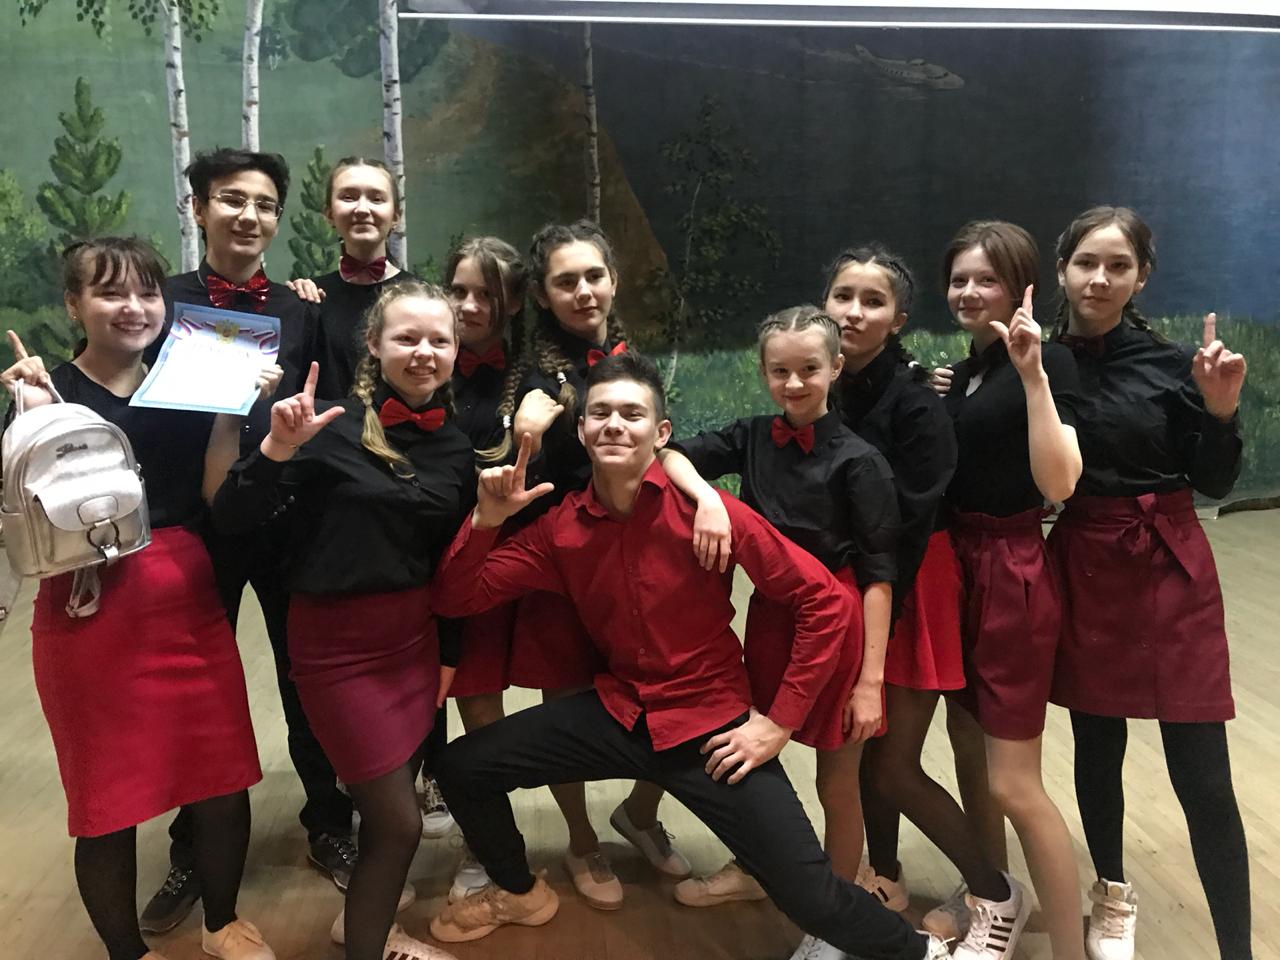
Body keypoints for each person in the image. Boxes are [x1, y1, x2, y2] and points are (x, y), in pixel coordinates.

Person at [425, 351, 950, 960]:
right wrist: (486, 520)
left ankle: (921, 953)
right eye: (600, 413)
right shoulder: (561, 530)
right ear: (583, 431)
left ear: (661, 433)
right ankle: (518, 890)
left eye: (632, 414)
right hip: (620, 711)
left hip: (711, 726)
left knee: (810, 896)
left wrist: (777, 723)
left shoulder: (708, 515)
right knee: (461, 767)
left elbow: (826, 603)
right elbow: (457, 596)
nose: (614, 424)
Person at [1, 237, 277, 960]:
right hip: (88, 606)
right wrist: (26, 418)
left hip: (187, 592)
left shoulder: (190, 382)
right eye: (109, 292)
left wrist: (234, 413)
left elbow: (214, 496)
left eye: (147, 293)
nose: (133, 307)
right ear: (74, 305)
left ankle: (221, 923)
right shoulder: (46, 391)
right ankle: (128, 952)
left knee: (222, 774)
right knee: (106, 797)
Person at [211, 280, 473, 960]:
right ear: (375, 345)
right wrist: (276, 448)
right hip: (337, 651)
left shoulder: (455, 446)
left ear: (456, 350)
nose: (423, 352)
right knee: (399, 824)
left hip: (413, 642)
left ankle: (364, 927)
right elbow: (232, 518)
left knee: (390, 815)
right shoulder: (324, 424)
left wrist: (449, 650)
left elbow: (449, 562)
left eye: (439, 339)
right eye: (406, 338)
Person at [140, 147, 349, 930]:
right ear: (198, 209)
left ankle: (329, 824)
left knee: (305, 677)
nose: (248, 215)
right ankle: (192, 847)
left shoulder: (302, 308)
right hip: (192, 527)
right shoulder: (161, 300)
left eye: (263, 204)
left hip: (283, 520)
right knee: (196, 689)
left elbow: (324, 405)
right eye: (231, 199)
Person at [464, 220, 700, 908]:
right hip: (566, 561)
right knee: (564, 701)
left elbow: (664, 446)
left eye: (594, 275)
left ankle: (641, 814)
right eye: (566, 281)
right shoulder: (534, 381)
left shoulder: (633, 361)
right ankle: (581, 840)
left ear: (613, 280)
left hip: (642, 553)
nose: (583, 291)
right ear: (542, 294)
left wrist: (706, 497)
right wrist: (526, 435)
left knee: (669, 686)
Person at [661, 306, 900, 960]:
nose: (793, 384)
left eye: (809, 369)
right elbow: (670, 453)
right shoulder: (751, 436)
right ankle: (753, 866)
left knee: (836, 783)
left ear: (836, 368)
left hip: (838, 623)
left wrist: (870, 682)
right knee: (747, 749)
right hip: (769, 617)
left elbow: (879, 577)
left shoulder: (862, 462)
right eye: (779, 370)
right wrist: (710, 499)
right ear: (764, 371)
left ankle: (839, 921)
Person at [1046, 206, 1252, 960]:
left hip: (1169, 562)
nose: (1099, 279)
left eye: (1118, 266)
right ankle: (1111, 895)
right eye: (1086, 262)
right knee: (1097, 745)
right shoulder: (1039, 363)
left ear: (1141, 278)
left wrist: (1221, 410)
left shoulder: (1174, 365)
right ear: (1062, 269)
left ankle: (1237, 950)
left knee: (1204, 776)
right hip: (1084, 561)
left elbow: (1213, 480)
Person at [822, 245, 1013, 946]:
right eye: (843, 296)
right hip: (859, 581)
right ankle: (885, 875)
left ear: (898, 319)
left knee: (894, 766)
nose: (854, 312)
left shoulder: (917, 402)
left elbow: (909, 511)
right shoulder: (826, 385)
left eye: (872, 301)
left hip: (909, 582)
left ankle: (997, 894)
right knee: (866, 750)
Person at [939, 220, 1086, 960]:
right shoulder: (967, 370)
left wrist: (1033, 376)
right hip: (957, 566)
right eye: (959, 279)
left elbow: (1060, 482)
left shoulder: (1046, 359)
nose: (970, 291)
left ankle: (1070, 950)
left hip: (1011, 568)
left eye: (987, 279)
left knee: (1015, 784)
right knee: (968, 750)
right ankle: (994, 901)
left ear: (1021, 287)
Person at [436, 236, 529, 896]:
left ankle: (491, 841)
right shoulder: (423, 363)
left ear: (514, 303)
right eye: (459, 290)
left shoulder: (533, 378)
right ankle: (477, 831)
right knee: (454, 694)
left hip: (505, 557)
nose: (469, 306)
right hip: (430, 553)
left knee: (484, 702)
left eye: (486, 295)